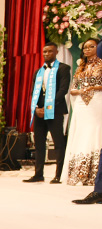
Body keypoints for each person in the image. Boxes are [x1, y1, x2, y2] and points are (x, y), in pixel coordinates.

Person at [23, 42, 71, 184]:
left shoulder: (63, 68)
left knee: (58, 143)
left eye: (50, 51)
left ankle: (59, 175)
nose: (46, 54)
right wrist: (37, 108)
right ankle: (38, 174)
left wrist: (49, 107)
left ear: (56, 52)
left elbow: (63, 90)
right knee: (39, 143)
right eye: (44, 52)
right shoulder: (38, 72)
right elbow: (34, 92)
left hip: (55, 111)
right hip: (39, 112)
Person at [61, 38, 102, 185]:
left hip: (97, 102)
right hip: (81, 104)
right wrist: (79, 91)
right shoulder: (81, 67)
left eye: (92, 46)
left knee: (95, 132)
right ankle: (78, 173)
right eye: (85, 47)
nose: (87, 49)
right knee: (81, 133)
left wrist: (93, 88)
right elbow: (73, 89)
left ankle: (94, 174)